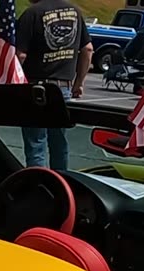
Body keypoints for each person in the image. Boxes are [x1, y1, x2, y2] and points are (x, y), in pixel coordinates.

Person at [16, 0, 93, 169]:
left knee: (36, 144)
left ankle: (40, 185)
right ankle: (62, 184)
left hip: (35, 88)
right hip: (63, 88)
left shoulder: (32, 13)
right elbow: (87, 49)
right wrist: (78, 83)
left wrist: (11, 82)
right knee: (59, 143)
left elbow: (20, 55)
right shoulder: (75, 11)